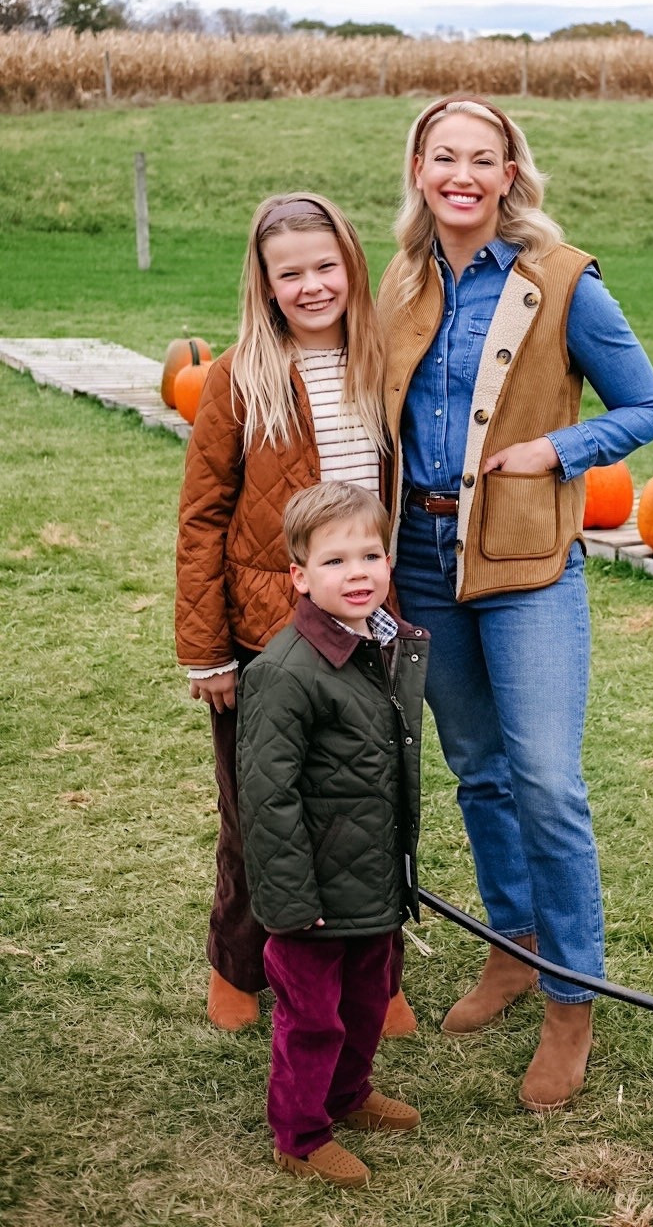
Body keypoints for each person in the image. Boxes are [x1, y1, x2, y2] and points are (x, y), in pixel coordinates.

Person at [378, 95, 653, 1111]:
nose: (462, 172)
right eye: (443, 155)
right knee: (480, 771)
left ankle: (569, 997)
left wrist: (558, 448)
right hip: (420, 557)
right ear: (419, 168)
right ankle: (512, 945)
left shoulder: (561, 281)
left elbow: (647, 405)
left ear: (510, 174)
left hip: (528, 558)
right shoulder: (401, 284)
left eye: (483, 158)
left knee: (546, 778)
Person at [175, 190, 415, 1035]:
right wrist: (205, 650)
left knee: (366, 808)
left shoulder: (382, 365)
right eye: (291, 274)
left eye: (325, 267)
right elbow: (203, 513)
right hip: (267, 636)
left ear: (349, 266)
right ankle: (238, 963)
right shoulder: (240, 376)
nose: (312, 286)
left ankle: (373, 975)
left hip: (364, 627)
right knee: (260, 809)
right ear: (265, 284)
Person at [237, 480, 427, 1186]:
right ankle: (301, 1133)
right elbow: (267, 795)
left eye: (371, 555)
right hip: (310, 892)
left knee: (364, 999)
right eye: (335, 561)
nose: (358, 573)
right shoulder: (284, 673)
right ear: (299, 575)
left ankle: (348, 1095)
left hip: (370, 877)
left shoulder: (384, 646)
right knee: (312, 1016)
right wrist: (289, 900)